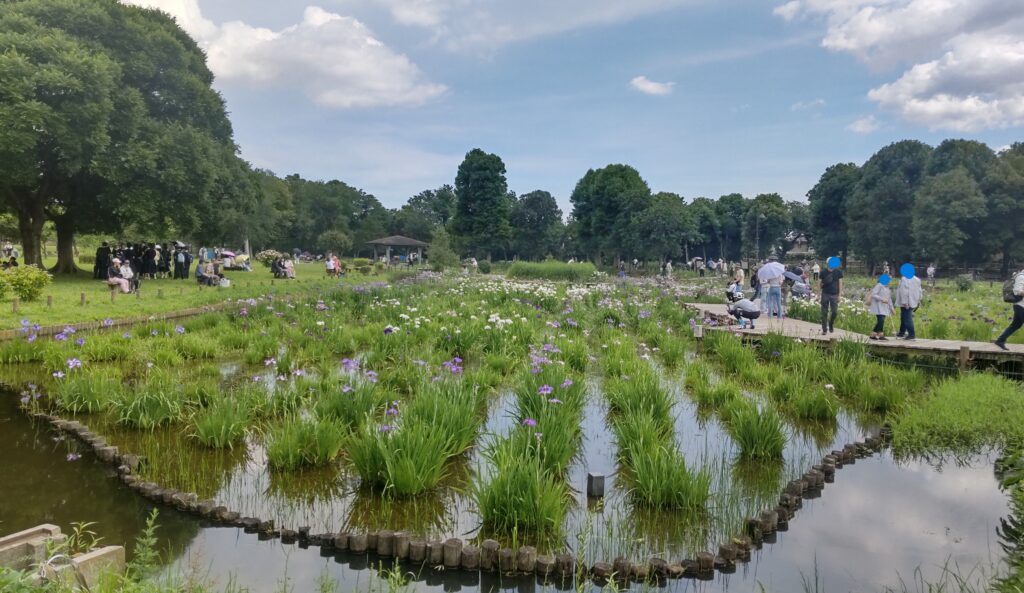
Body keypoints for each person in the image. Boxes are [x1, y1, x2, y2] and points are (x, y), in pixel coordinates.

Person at [995, 267, 1024, 351]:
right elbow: (1017, 291)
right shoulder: (1022, 277)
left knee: (1016, 325)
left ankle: (1000, 340)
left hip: (1020, 306)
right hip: (1021, 306)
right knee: (1015, 325)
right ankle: (1000, 340)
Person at [895, 264, 923, 341]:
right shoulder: (917, 279)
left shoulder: (904, 279)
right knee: (904, 317)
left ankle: (911, 334)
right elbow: (920, 291)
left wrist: (904, 302)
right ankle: (901, 332)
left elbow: (904, 292)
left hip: (906, 302)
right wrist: (919, 300)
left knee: (907, 318)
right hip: (913, 300)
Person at [819, 257, 843, 335]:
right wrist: (818, 294)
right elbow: (819, 283)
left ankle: (831, 323)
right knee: (824, 312)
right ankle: (824, 329)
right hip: (825, 293)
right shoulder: (823, 272)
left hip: (834, 294)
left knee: (834, 312)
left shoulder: (838, 272)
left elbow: (840, 284)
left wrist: (839, 295)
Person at [867, 274, 895, 340]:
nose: (890, 281)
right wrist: (882, 299)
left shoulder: (887, 288)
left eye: (890, 279)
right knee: (881, 320)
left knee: (881, 320)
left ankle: (874, 335)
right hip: (878, 306)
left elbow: (889, 299)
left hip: (884, 307)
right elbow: (873, 294)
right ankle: (879, 335)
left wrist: (892, 308)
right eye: (889, 279)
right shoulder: (879, 285)